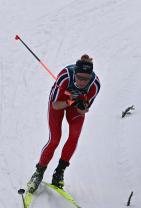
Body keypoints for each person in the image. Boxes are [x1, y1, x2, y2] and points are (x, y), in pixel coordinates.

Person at [27, 55, 101, 192]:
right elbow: (55, 105)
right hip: (59, 102)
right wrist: (69, 101)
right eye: (79, 78)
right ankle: (39, 172)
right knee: (55, 139)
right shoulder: (65, 77)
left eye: (86, 79)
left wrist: (82, 107)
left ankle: (59, 172)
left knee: (75, 135)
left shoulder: (95, 85)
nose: (83, 82)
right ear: (75, 75)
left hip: (74, 105)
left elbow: (83, 110)